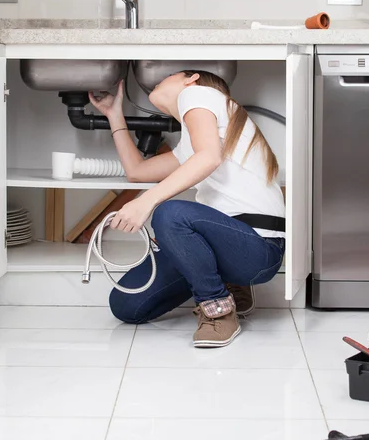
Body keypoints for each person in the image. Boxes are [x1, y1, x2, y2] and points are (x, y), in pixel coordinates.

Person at [88, 70, 285, 348]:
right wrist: (113, 113)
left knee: (171, 213)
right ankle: (229, 283)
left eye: (169, 76)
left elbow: (209, 157)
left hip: (258, 247)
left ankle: (218, 309)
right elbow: (137, 171)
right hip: (227, 245)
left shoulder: (200, 94)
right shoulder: (190, 145)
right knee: (126, 305)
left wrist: (146, 201)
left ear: (191, 79)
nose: (157, 82)